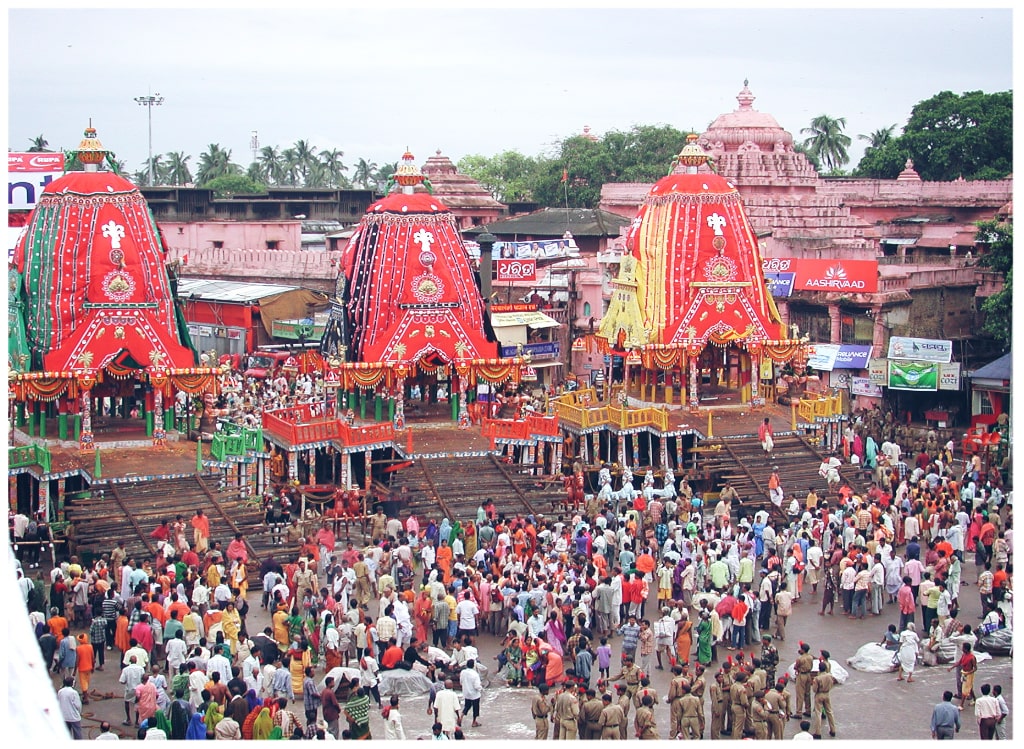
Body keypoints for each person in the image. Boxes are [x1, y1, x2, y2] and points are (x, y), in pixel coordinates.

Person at [460, 658, 483, 727]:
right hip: (474, 694)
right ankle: (474, 722)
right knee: (475, 708)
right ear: (473, 666)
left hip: (466, 693)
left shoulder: (463, 672)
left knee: (467, 706)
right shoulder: (475, 674)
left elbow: (461, 682)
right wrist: (481, 688)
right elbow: (477, 686)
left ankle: (461, 717)